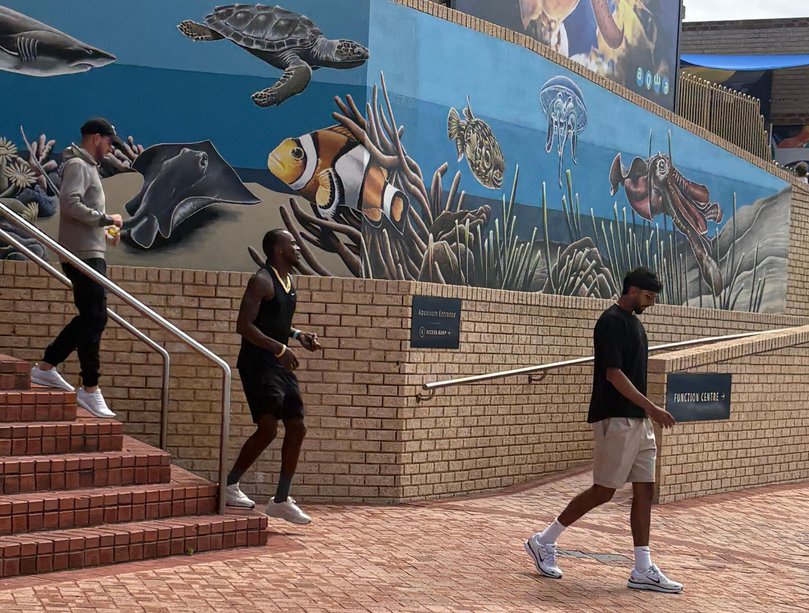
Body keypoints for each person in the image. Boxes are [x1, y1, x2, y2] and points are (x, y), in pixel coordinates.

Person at [524, 267, 683, 594]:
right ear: (633, 290)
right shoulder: (611, 322)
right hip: (616, 418)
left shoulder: (636, 324)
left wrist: (646, 413)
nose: (651, 303)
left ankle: (642, 567)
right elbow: (613, 375)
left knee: (644, 489)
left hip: (638, 420)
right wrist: (651, 406)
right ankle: (543, 540)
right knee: (604, 490)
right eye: (649, 297)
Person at [224, 229, 322, 525]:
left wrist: (297, 335)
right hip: (257, 363)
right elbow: (244, 326)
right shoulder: (261, 281)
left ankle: (280, 499)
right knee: (268, 429)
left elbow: (275, 321)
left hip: (278, 363)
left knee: (298, 427)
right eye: (292, 243)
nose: (298, 248)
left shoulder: (289, 282)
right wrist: (280, 348)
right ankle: (230, 485)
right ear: (278, 250)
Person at [30, 118, 124, 418]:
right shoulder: (78, 166)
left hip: (90, 251)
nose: (111, 149)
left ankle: (48, 367)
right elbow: (70, 204)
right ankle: (89, 387)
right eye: (110, 142)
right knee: (95, 316)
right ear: (96, 138)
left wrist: (105, 229)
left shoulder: (87, 167)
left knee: (92, 316)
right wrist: (105, 219)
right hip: (81, 254)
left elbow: (79, 209)